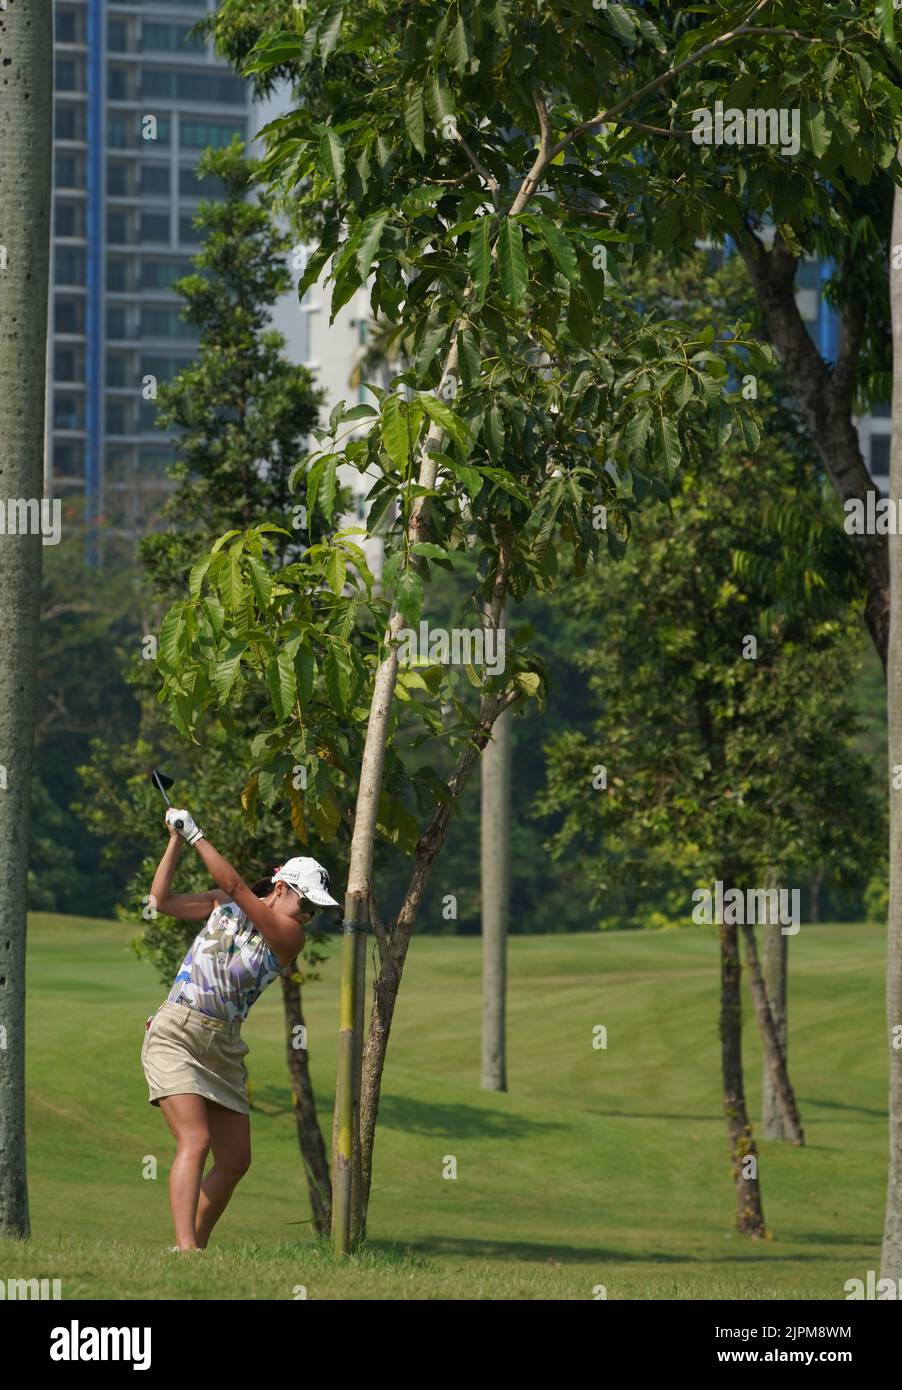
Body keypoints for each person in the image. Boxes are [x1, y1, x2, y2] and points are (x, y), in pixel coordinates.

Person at [141, 805, 339, 1251]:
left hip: (225, 1046)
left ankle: (193, 1246)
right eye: (304, 902)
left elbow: (233, 884)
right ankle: (186, 1249)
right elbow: (161, 902)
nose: (308, 914)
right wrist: (175, 838)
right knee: (197, 1139)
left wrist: (196, 833)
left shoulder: (290, 937)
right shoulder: (224, 905)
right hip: (176, 1031)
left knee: (235, 1160)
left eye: (314, 910)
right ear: (282, 885)